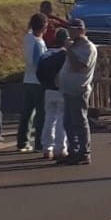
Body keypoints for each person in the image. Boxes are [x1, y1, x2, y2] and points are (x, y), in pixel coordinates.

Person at [58, 19, 97, 165]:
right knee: (68, 122)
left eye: (73, 30)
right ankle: (73, 151)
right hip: (67, 89)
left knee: (79, 121)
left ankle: (84, 152)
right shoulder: (74, 45)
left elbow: (78, 67)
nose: (70, 32)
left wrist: (68, 50)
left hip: (78, 90)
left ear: (81, 30)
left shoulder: (88, 48)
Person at [17, 14, 48, 153]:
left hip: (27, 80)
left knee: (26, 113)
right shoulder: (39, 42)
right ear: (43, 27)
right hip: (38, 81)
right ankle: (40, 143)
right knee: (41, 114)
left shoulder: (27, 38)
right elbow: (38, 62)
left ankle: (22, 142)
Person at [37, 30, 69, 160]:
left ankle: (46, 148)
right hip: (61, 90)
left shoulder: (45, 54)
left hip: (48, 90)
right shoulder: (65, 55)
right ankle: (60, 149)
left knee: (49, 118)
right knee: (62, 119)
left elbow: (38, 73)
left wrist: (45, 84)